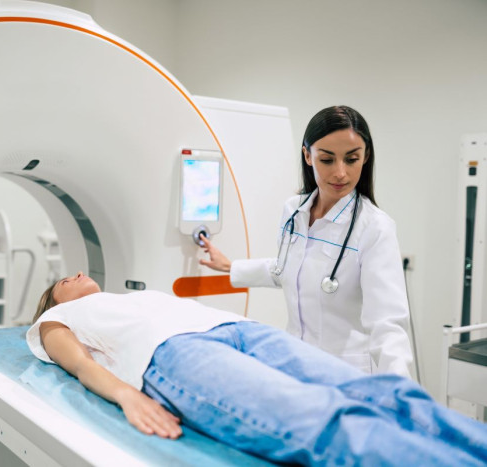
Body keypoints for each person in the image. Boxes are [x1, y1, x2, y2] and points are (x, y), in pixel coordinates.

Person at [27, 272, 487, 466]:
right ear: (50, 303)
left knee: (387, 393)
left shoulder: (130, 296)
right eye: (58, 282)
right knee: (328, 419)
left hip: (240, 329)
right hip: (176, 355)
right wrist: (128, 395)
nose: (70, 275)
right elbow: (81, 365)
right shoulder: (54, 322)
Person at [199, 105, 413, 377]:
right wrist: (232, 266)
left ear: (365, 157)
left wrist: (400, 389)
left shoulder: (375, 228)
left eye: (351, 159)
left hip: (346, 375)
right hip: (295, 364)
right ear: (307, 155)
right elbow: (289, 269)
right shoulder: (294, 211)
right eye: (327, 159)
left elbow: (388, 324)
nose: (340, 173)